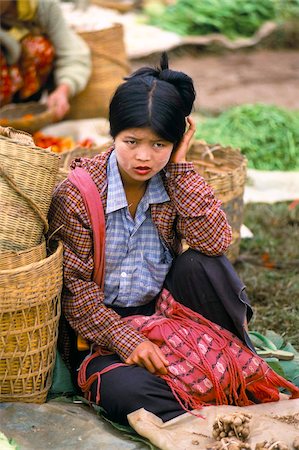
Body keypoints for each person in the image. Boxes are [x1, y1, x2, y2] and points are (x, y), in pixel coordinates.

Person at [48, 53, 255, 425]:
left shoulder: (173, 181)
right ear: (113, 134)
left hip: (163, 313)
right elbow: (76, 293)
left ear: (176, 142)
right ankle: (204, 386)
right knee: (130, 392)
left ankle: (219, 368)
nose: (144, 157)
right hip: (100, 335)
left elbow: (216, 242)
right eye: (132, 141)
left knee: (204, 263)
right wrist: (130, 342)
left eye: (159, 144)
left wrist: (178, 168)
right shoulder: (78, 193)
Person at [0, 0, 91, 120]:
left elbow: (72, 54)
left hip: (26, 91)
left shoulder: (43, 7)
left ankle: (25, 110)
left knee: (38, 47)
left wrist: (63, 90)